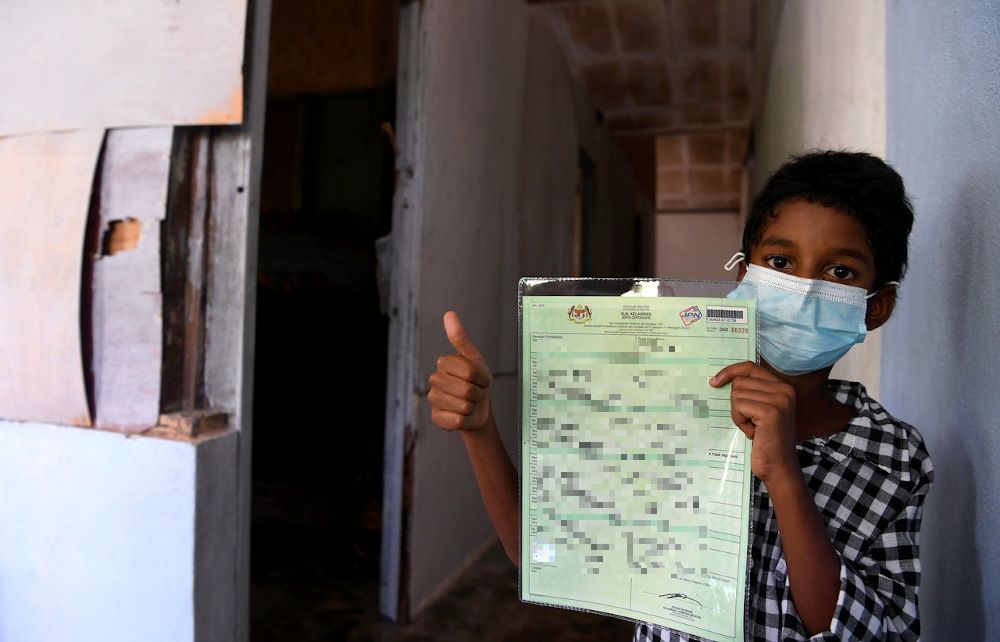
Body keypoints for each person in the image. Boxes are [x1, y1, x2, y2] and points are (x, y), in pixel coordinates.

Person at [426, 151, 933, 641]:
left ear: (875, 306)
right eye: (779, 261)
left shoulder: (893, 456)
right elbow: (540, 551)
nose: (800, 288)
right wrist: (479, 429)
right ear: (746, 274)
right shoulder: (664, 397)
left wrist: (783, 475)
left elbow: (871, 631)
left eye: (839, 271)